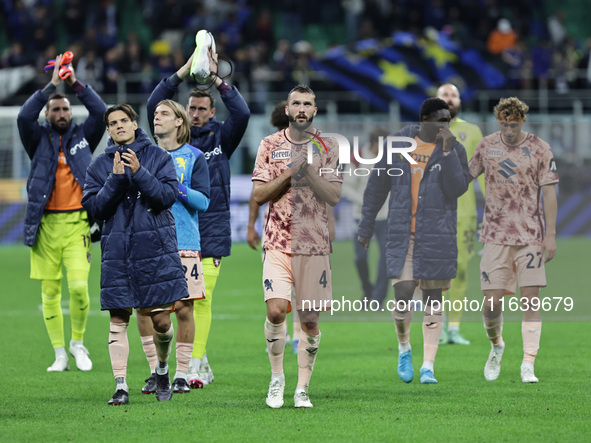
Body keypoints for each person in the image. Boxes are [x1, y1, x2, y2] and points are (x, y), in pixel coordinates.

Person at [147, 35, 250, 388]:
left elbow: (243, 112)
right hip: (171, 229)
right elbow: (154, 106)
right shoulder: (169, 143)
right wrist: (188, 68)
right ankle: (196, 360)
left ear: (212, 111)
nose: (196, 113)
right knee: (170, 303)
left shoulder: (223, 138)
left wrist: (217, 78)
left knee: (200, 301)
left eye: (203, 108)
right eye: (191, 108)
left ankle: (192, 364)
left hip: (213, 228)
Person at [82, 104, 188, 405]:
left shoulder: (158, 157)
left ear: (134, 123)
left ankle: (162, 370)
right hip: (117, 251)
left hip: (155, 249)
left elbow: (167, 197)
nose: (118, 126)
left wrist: (139, 173)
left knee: (162, 322)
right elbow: (94, 209)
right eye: (112, 123)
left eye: (123, 121)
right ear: (108, 130)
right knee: (118, 317)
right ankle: (120, 386)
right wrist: (115, 180)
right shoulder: (99, 166)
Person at [357, 98, 469, 384]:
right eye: (441, 120)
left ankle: (428, 365)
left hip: (436, 235)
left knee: (433, 298)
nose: (446, 124)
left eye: (449, 119)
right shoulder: (397, 144)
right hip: (402, 232)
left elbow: (457, 188)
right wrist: (366, 225)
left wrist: (446, 153)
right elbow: (376, 187)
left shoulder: (454, 148)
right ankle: (404, 346)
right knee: (404, 291)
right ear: (425, 119)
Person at [252, 84, 342, 408]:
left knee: (310, 321)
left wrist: (308, 171)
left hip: (314, 245)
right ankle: (277, 378)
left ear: (315, 111)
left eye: (307, 103)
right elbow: (260, 195)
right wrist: (291, 172)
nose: (301, 108)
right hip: (277, 241)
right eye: (296, 103)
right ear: (287, 110)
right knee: (276, 310)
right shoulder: (270, 144)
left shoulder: (328, 145)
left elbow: (333, 195)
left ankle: (302, 387)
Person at [17, 53, 107, 373]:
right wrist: (51, 86)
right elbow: (23, 117)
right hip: (44, 226)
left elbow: (101, 111)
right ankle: (59, 353)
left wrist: (74, 84)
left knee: (80, 289)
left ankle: (77, 342)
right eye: (55, 109)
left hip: (77, 225)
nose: (61, 112)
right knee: (50, 292)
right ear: (48, 114)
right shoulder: (37, 138)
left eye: (65, 108)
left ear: (71, 112)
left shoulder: (84, 136)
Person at [469, 97, 558, 383]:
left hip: (530, 236)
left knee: (531, 300)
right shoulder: (486, 146)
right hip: (495, 236)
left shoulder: (540, 148)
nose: (508, 129)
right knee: (491, 303)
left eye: (514, 124)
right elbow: (464, 177)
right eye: (504, 124)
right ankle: (496, 346)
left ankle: (528, 363)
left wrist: (551, 235)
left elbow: (549, 193)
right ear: (498, 121)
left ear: (523, 121)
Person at [136, 100, 210, 394]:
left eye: (164, 113)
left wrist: (174, 185)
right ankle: (155, 371)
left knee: (183, 309)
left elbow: (203, 202)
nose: (157, 118)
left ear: (179, 121)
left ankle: (181, 373)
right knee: (145, 310)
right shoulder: (143, 156)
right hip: (147, 241)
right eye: (154, 114)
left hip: (184, 240)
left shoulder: (194, 157)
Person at [436, 83, 484, 345]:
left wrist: (492, 208)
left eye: (454, 94)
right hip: (432, 214)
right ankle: (438, 326)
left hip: (464, 214)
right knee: (434, 273)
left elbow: (483, 174)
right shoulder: (423, 132)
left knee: (462, 270)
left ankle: (454, 327)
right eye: (444, 95)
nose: (449, 99)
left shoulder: (472, 131)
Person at [340, 127, 390, 306]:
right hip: (361, 216)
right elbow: (346, 187)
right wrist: (366, 201)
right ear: (375, 143)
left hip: (386, 216)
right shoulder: (357, 157)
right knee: (360, 258)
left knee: (387, 257)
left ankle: (378, 298)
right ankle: (368, 290)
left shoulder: (392, 158)